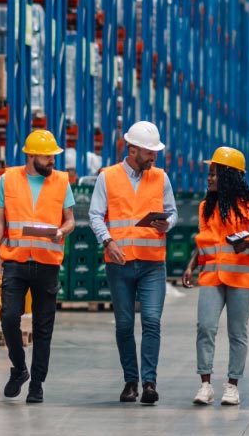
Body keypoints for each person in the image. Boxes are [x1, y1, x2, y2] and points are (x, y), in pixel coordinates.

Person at [88, 120, 177, 405]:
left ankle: (149, 383)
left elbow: (172, 212)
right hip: (120, 263)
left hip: (152, 263)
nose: (154, 156)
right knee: (124, 324)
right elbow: (94, 215)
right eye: (149, 151)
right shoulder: (108, 177)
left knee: (151, 321)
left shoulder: (161, 178)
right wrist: (108, 241)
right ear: (133, 149)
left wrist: (168, 224)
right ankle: (131, 382)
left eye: (155, 151)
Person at [0, 129, 76, 404]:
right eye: (47, 157)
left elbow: (70, 220)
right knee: (10, 318)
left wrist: (62, 231)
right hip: (15, 260)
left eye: (53, 156)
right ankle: (19, 368)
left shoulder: (62, 182)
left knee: (43, 328)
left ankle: (37, 383)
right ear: (31, 155)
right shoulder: (9, 179)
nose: (52, 161)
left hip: (47, 263)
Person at [181, 146, 249, 407]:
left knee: (236, 332)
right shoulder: (205, 208)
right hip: (211, 275)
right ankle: (205, 385)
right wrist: (191, 265)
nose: (209, 178)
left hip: (242, 279)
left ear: (229, 176)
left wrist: (248, 245)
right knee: (205, 327)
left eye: (214, 174)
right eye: (209, 174)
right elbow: (204, 242)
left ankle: (232, 386)